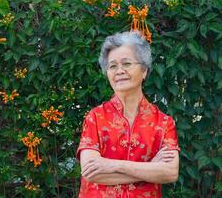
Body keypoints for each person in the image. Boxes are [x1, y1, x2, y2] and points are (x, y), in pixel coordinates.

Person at [76, 31, 180, 198]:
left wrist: (111, 165)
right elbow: (91, 172)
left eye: (126, 63)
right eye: (112, 66)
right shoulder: (95, 117)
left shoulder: (164, 122)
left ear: (144, 70)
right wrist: (150, 168)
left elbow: (170, 173)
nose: (119, 71)